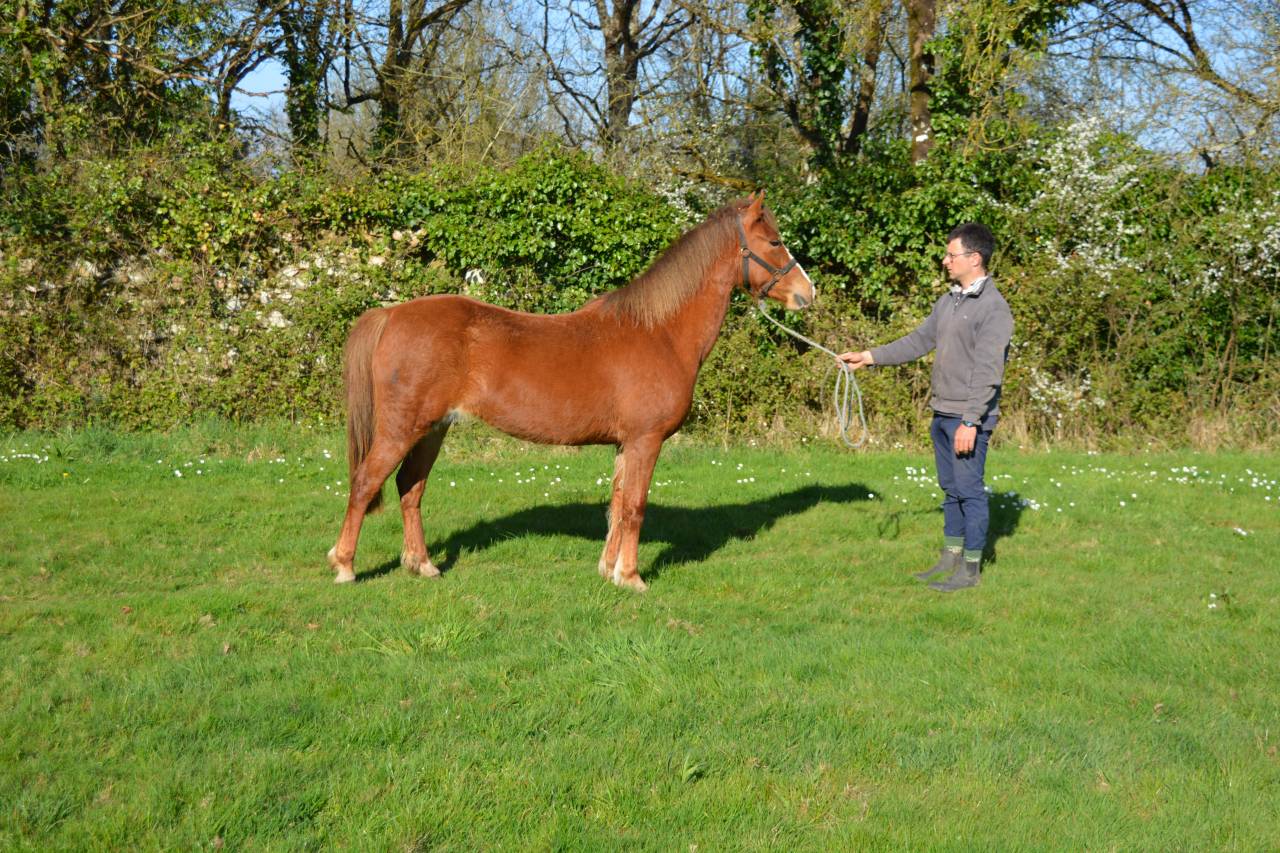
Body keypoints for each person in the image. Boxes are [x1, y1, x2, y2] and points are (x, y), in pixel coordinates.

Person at [838, 223, 1013, 592]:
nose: (945, 260)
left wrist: (971, 421)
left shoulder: (994, 309)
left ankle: (970, 569)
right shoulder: (948, 301)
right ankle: (949, 558)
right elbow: (919, 341)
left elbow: (988, 372)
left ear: (974, 259)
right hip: (942, 412)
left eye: (952, 255)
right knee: (950, 489)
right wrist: (869, 357)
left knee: (970, 490)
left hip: (968, 418)